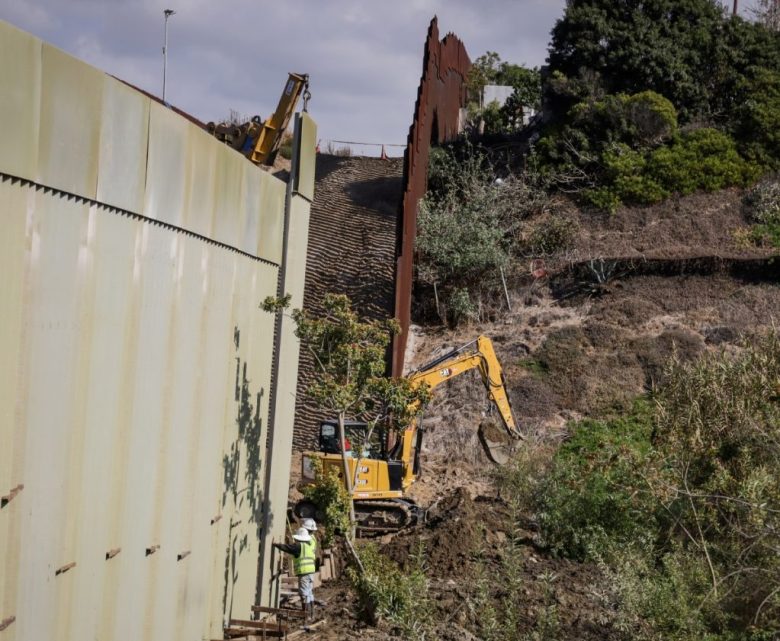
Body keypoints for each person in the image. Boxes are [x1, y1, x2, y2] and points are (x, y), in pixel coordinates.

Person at [273, 527, 317, 621]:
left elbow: (287, 548)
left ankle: (306, 616)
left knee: (304, 594)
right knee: (309, 593)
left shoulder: (299, 547)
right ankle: (311, 614)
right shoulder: (308, 546)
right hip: (311, 572)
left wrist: (276, 544)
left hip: (304, 573)